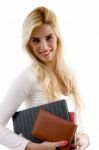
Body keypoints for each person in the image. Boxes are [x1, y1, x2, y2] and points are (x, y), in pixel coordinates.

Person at [0, 6, 90, 150]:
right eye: (35, 40)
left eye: (49, 38)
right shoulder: (28, 77)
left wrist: (84, 140)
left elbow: (81, 129)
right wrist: (34, 147)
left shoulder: (70, 75)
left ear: (57, 36)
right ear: (28, 43)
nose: (44, 47)